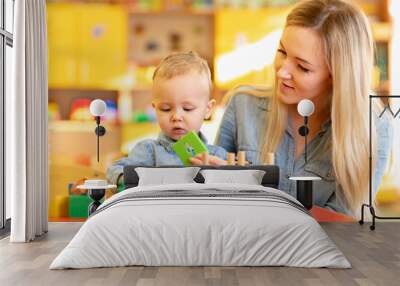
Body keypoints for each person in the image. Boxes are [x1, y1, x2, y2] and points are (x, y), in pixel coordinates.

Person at [190, 0, 393, 215]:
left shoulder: (374, 127)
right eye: (282, 52)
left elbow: (344, 223)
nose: (281, 72)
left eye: (302, 67)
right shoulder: (242, 105)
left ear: (337, 76)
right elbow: (217, 208)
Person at [107, 52, 227, 184]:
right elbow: (114, 170)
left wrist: (223, 174)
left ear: (208, 109)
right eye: (165, 109)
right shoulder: (148, 151)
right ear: (155, 108)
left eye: (187, 109)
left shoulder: (217, 155)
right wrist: (136, 178)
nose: (176, 117)